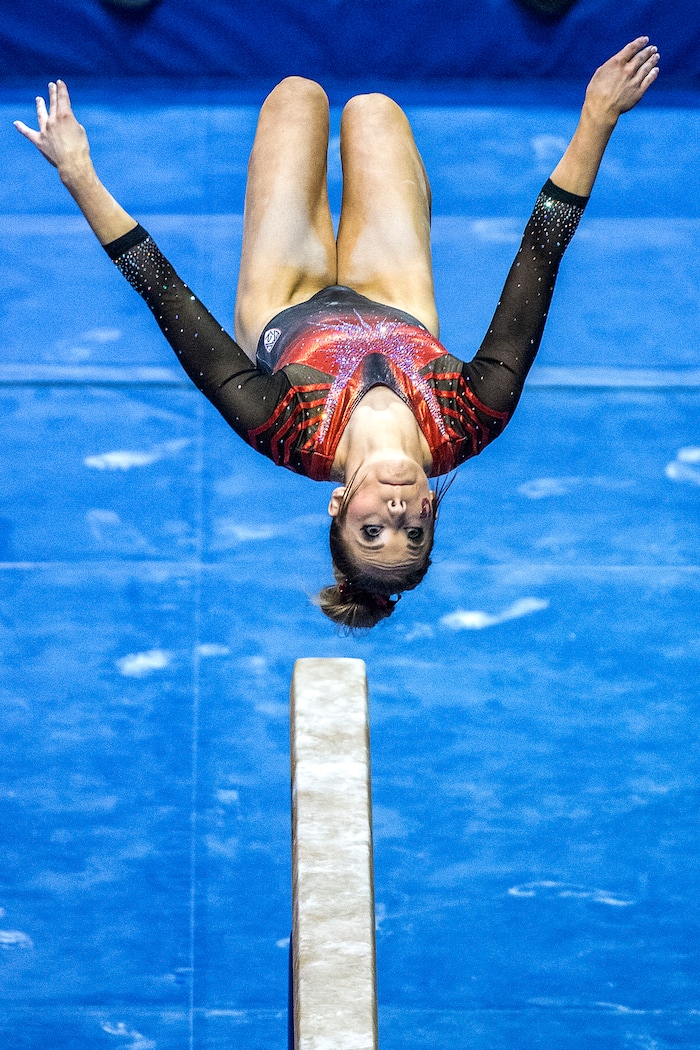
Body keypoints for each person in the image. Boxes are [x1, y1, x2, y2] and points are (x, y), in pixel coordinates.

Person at [15, 38, 659, 628]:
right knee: (373, 113)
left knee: (296, 100)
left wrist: (79, 176)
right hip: (395, 295)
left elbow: (165, 293)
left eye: (372, 532)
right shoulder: (471, 417)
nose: (399, 516)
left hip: (285, 298)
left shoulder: (287, 430)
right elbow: (540, 256)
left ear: (338, 508)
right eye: (414, 534)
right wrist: (598, 118)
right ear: (433, 515)